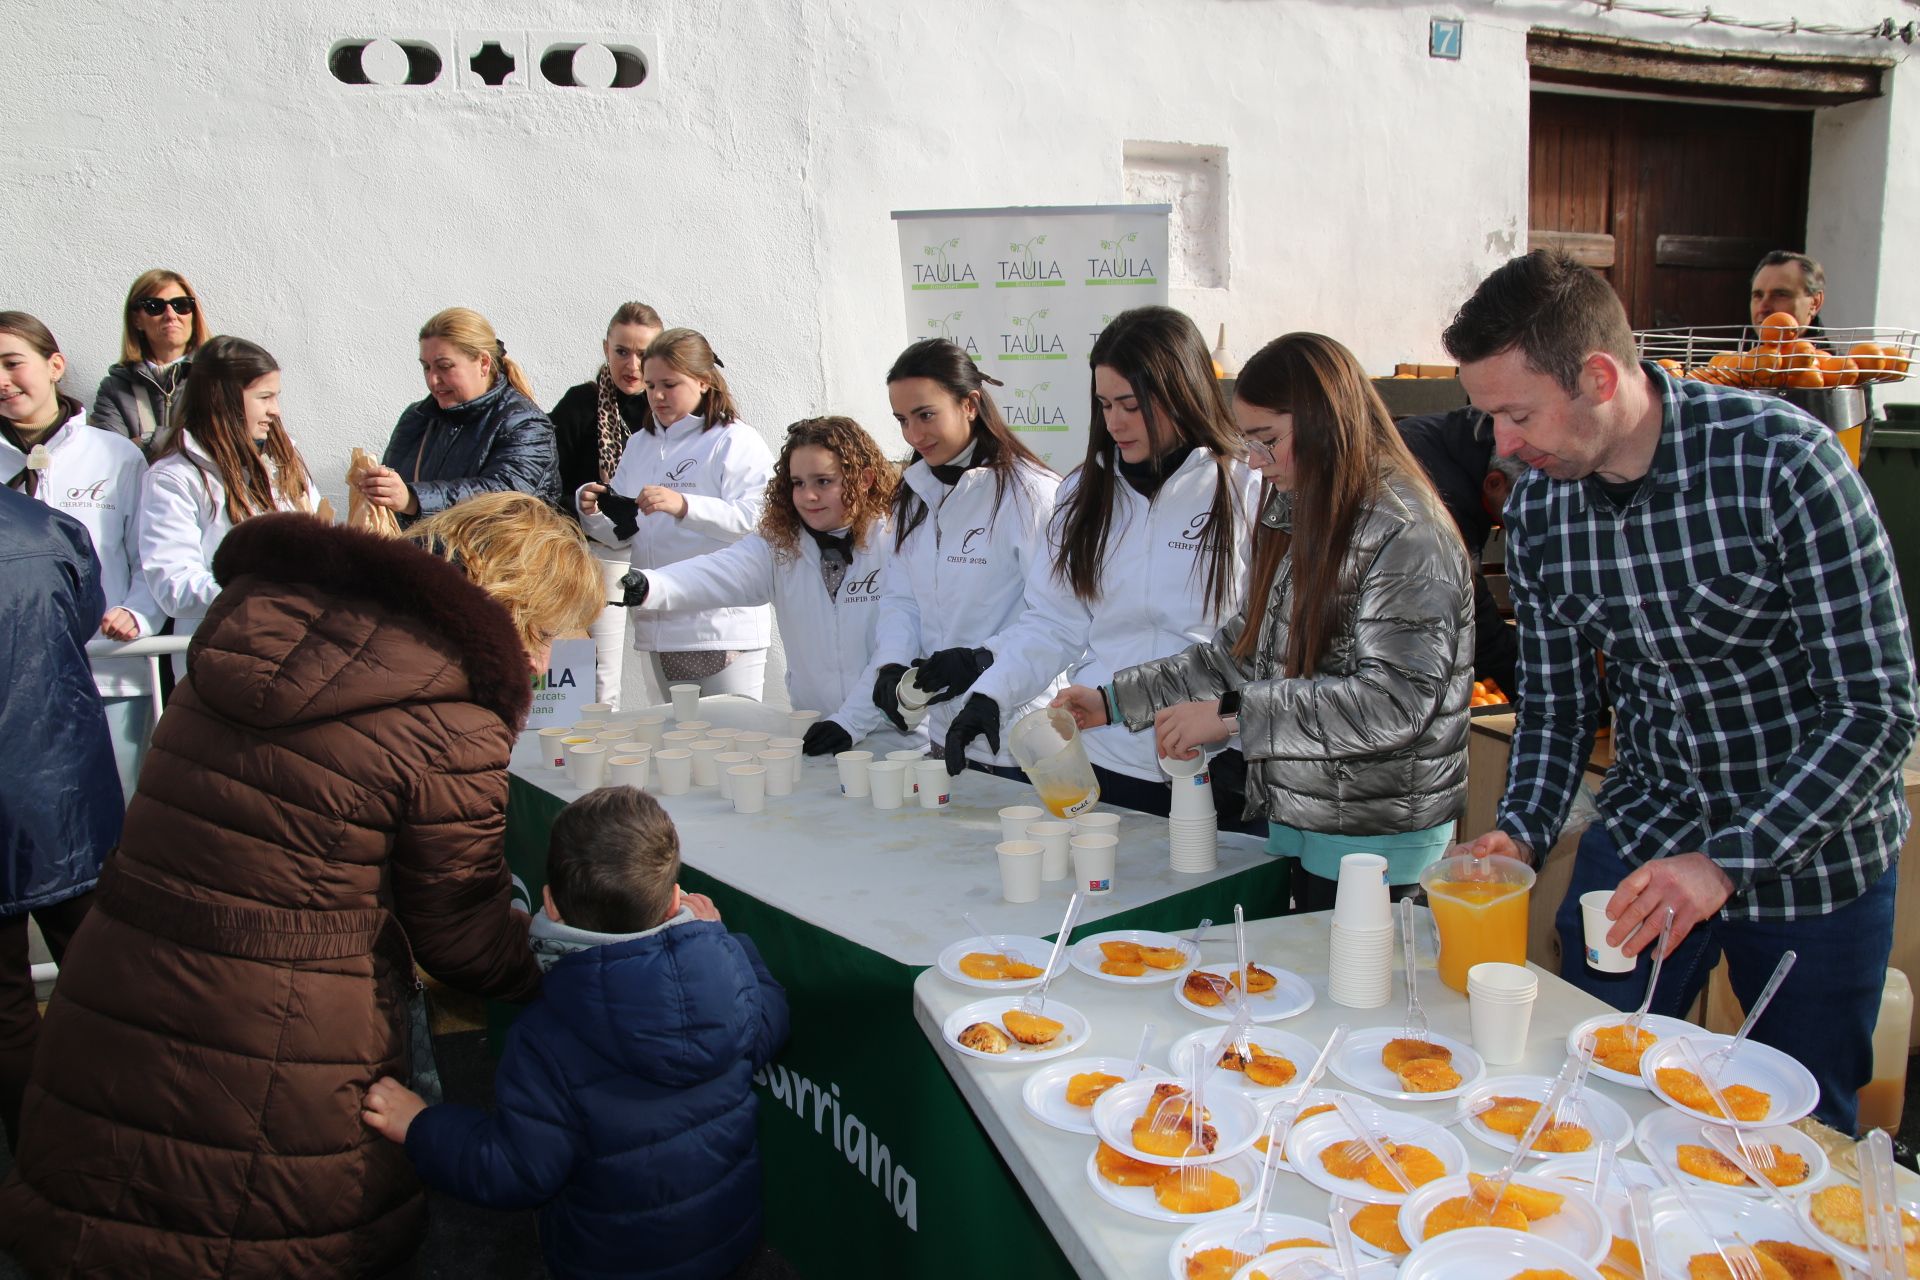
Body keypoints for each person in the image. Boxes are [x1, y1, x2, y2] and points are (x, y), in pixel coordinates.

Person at [0, 492, 605, 1276]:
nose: (539, 659)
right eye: (546, 632)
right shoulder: (454, 712)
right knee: (255, 1237)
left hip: (121, 983)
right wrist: (576, 968)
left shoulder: (258, 620)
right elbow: (460, 934)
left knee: (108, 1210)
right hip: (281, 1033)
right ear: (514, 608)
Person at [1442, 249, 1916, 1135]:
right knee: (1587, 1085)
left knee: (1797, 1131)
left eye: (1515, 413)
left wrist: (1727, 861)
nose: (1503, 446)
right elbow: (1554, 705)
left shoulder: (1782, 464)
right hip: (1651, 829)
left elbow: (1878, 708)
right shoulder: (1546, 507)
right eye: (1490, 419)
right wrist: (1524, 830)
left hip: (1815, 855)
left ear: (1595, 376)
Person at [1059, 333, 1473, 910]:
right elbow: (1241, 650)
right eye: (1248, 443)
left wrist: (1232, 716)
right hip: (1307, 815)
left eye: (1267, 441)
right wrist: (1112, 700)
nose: (1254, 461)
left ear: (1326, 421)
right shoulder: (1300, 508)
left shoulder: (1406, 531)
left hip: (1381, 832)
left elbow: (1395, 703)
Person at [361, 785, 790, 1280]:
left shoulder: (545, 1036)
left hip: (607, 1263)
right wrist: (720, 937)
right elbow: (772, 1019)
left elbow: (516, 1170)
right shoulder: (728, 978)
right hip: (725, 1243)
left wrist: (420, 1125)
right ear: (676, 901)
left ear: (550, 905)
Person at [944, 308, 1262, 828]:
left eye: (1131, 405)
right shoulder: (1082, 493)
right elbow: (1053, 623)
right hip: (1103, 760)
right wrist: (991, 694)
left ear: (1181, 392)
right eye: (1104, 404)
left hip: (1218, 763)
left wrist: (1232, 726)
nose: (1114, 422)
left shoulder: (1245, 486)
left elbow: (1268, 644)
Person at [617, 416, 924, 755]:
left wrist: (851, 722)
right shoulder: (779, 546)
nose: (808, 495)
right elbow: (718, 572)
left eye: (823, 481)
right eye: (797, 482)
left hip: (900, 741)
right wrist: (648, 585)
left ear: (864, 479)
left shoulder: (898, 542)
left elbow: (898, 648)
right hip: (821, 732)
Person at [866, 339, 1061, 775]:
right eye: (902, 420)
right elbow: (901, 598)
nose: (914, 435)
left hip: (1018, 734)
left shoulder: (1032, 494)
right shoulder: (912, 494)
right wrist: (891, 664)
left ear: (970, 404)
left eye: (926, 415)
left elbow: (1057, 618)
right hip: (945, 733)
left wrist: (981, 659)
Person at [0, 487, 120, 1155]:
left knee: (7, 1014)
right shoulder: (46, 527)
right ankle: (110, 1150)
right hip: (62, 797)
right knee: (100, 986)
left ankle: (39, 1161)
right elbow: (80, 616)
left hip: (57, 793)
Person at [0, 312, 162, 800]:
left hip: (109, 676)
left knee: (120, 823)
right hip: (14, 690)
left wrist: (137, 613)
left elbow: (148, 560)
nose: (2, 382)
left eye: (12, 363)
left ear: (55, 365)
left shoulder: (116, 456)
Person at [578, 327, 775, 703]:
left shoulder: (734, 440)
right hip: (657, 629)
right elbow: (625, 532)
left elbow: (758, 520)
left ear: (703, 382)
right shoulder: (640, 444)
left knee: (732, 748)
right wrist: (594, 513)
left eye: (670, 384)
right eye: (651, 386)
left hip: (721, 628)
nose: (658, 396)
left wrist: (685, 506)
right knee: (674, 748)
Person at [138, 335, 318, 677]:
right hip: (221, 656)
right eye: (264, 397)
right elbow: (173, 585)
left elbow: (315, 528)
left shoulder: (284, 456)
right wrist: (264, 590)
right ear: (224, 399)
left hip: (295, 648)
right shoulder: (174, 476)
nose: (275, 410)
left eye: (275, 396)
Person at [549, 302, 666, 707]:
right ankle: (602, 761)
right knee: (600, 677)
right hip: (600, 554)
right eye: (622, 352)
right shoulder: (580, 405)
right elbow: (547, 483)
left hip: (663, 552)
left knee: (665, 673)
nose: (632, 365)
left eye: (644, 354)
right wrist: (582, 503)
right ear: (606, 349)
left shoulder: (671, 410)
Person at [360, 306, 562, 528]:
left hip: (495, 562)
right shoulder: (417, 417)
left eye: (444, 367)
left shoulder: (526, 423)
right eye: (426, 367)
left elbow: (505, 499)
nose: (433, 380)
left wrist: (413, 499)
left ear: (483, 363)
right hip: (417, 560)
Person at [1396, 405, 1525, 697]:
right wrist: (1533, 691)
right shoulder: (1443, 495)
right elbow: (1466, 607)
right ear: (1494, 483)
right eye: (1521, 509)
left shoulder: (1459, 446)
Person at [89, 268, 211, 450]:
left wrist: (144, 441)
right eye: (155, 306)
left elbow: (222, 444)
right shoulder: (115, 389)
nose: (171, 315)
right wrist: (185, 439)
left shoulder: (218, 378)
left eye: (181, 305)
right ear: (137, 320)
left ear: (193, 314)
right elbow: (111, 456)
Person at [1749, 250, 1825, 335]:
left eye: (1780, 295)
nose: (1762, 308)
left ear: (1815, 303)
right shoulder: (1737, 347)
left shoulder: (1838, 347)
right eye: (1758, 296)